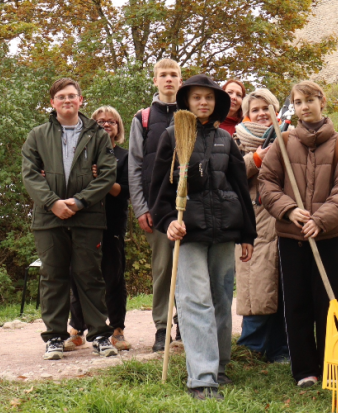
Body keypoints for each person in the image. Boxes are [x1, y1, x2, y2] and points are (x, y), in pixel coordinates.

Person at [151, 74, 257, 400]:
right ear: (187, 101)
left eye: (209, 98)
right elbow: (159, 190)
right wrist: (168, 221)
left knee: (222, 301)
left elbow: (240, 188)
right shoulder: (172, 137)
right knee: (195, 301)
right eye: (197, 97)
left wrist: (248, 234)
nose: (203, 102)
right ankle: (202, 378)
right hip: (189, 233)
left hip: (224, 232)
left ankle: (219, 369)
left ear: (216, 103)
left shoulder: (227, 141)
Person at [258, 80, 338, 387]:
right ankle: (304, 370)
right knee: (296, 303)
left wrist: (321, 219)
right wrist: (289, 209)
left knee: (329, 302)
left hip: (329, 237)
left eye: (310, 100)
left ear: (321, 101)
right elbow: (267, 182)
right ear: (294, 107)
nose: (304, 106)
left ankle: (332, 364)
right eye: (298, 102)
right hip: (292, 238)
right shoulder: (283, 143)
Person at [21, 77, 118, 360]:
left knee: (90, 275)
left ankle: (100, 335)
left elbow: (108, 175)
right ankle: (54, 338)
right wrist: (53, 203)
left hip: (87, 217)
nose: (67, 100)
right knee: (53, 277)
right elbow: (29, 174)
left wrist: (78, 202)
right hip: (49, 219)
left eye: (72, 96)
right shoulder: (37, 135)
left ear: (80, 100)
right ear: (52, 102)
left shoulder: (97, 135)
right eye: (61, 96)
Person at [127, 58, 183, 352]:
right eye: (163, 75)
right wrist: (141, 208)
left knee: (188, 267)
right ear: (155, 81)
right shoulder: (143, 118)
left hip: (188, 207)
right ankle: (163, 327)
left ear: (181, 81)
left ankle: (185, 325)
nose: (169, 79)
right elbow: (135, 166)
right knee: (162, 269)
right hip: (156, 210)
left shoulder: (190, 115)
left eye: (174, 75)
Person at [66, 106, 132, 352]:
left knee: (113, 276)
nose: (106, 125)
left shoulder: (125, 156)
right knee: (79, 274)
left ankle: (117, 329)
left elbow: (126, 191)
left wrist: (104, 179)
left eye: (111, 121)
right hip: (83, 221)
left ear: (118, 128)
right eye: (100, 121)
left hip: (112, 222)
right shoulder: (80, 154)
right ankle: (77, 329)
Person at [233, 88, 290, 363]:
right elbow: (228, 175)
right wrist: (257, 158)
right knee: (256, 290)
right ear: (246, 114)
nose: (261, 113)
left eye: (266, 108)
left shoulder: (289, 137)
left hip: (284, 223)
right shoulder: (237, 141)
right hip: (253, 227)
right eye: (255, 109)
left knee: (282, 288)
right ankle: (251, 350)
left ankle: (281, 349)